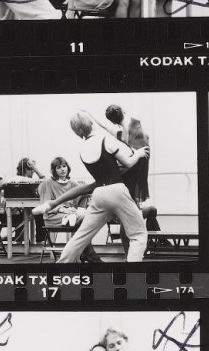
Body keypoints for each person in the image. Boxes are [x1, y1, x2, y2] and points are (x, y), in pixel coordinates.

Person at [45, 107, 149, 262]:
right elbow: (128, 163)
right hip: (117, 191)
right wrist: (138, 154)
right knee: (138, 235)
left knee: (80, 237)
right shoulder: (105, 140)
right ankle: (133, 271)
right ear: (91, 123)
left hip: (99, 195)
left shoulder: (83, 150)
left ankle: (61, 266)